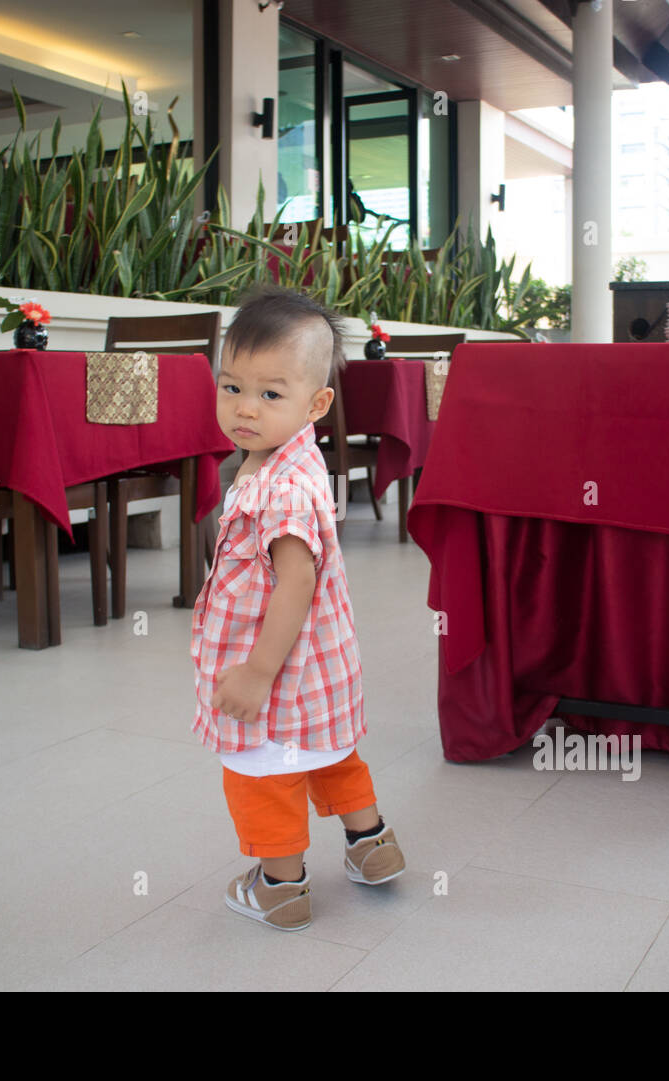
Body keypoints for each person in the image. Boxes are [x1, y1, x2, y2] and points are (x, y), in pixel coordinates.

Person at [191, 283, 405, 931]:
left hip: (278, 674)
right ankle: (372, 843)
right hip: (321, 674)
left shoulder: (281, 490)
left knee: (264, 775)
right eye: (232, 387)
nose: (245, 408)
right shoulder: (287, 457)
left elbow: (296, 583)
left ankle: (281, 887)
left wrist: (257, 670)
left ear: (316, 404)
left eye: (270, 393)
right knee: (332, 753)